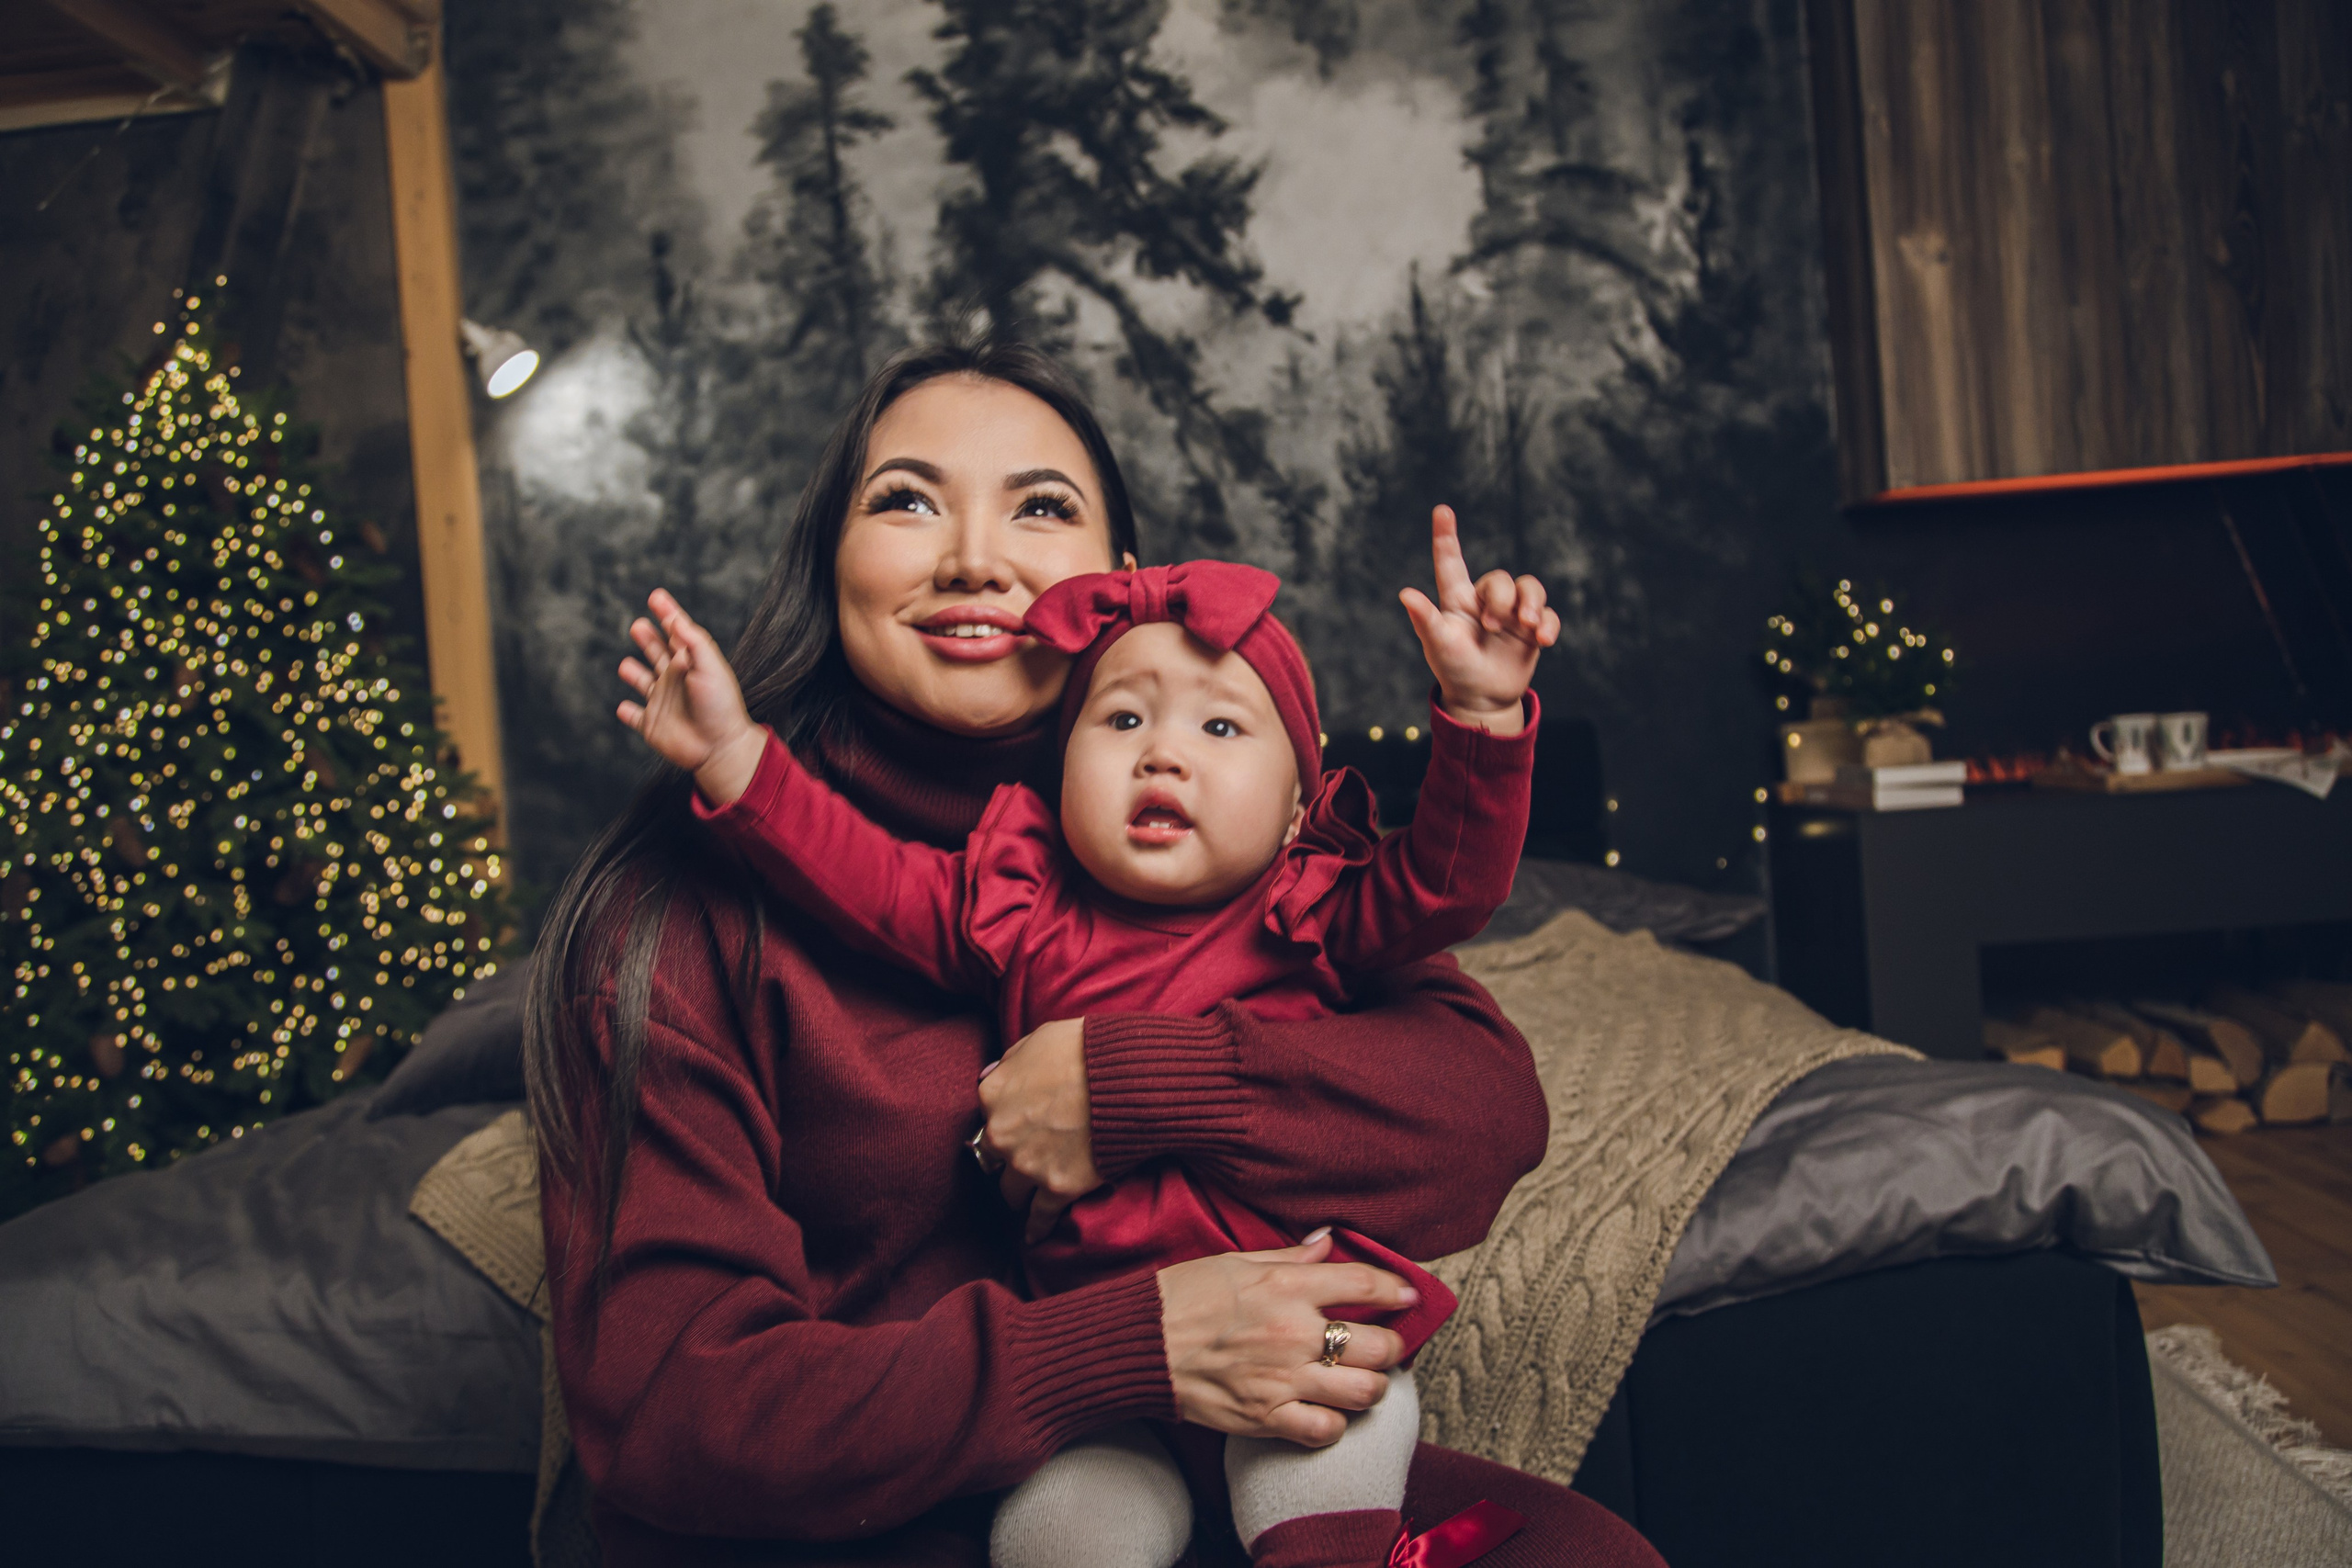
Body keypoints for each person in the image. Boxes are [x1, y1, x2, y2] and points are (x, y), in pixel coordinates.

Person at [524, 340, 1668, 1568]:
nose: (975, 557)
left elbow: (1481, 1112)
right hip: (900, 1504)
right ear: (829, 563)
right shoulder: (677, 917)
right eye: (907, 500)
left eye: (1041, 506)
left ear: (1124, 586)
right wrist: (1138, 1342)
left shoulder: (1210, 847)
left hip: (1224, 1444)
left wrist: (1127, 1085)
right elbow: (668, 1413)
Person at [612, 547, 1555, 1566]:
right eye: (1123, 719)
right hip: (1103, 1371)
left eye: (1221, 727)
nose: (1163, 755)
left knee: (1327, 1468)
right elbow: (866, 877)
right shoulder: (1019, 906)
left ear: (1296, 810)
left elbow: (1450, 882)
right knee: (1060, 1533)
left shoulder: (1313, 911)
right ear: (1060, 777)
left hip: (1297, 1333)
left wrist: (1482, 715)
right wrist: (736, 759)